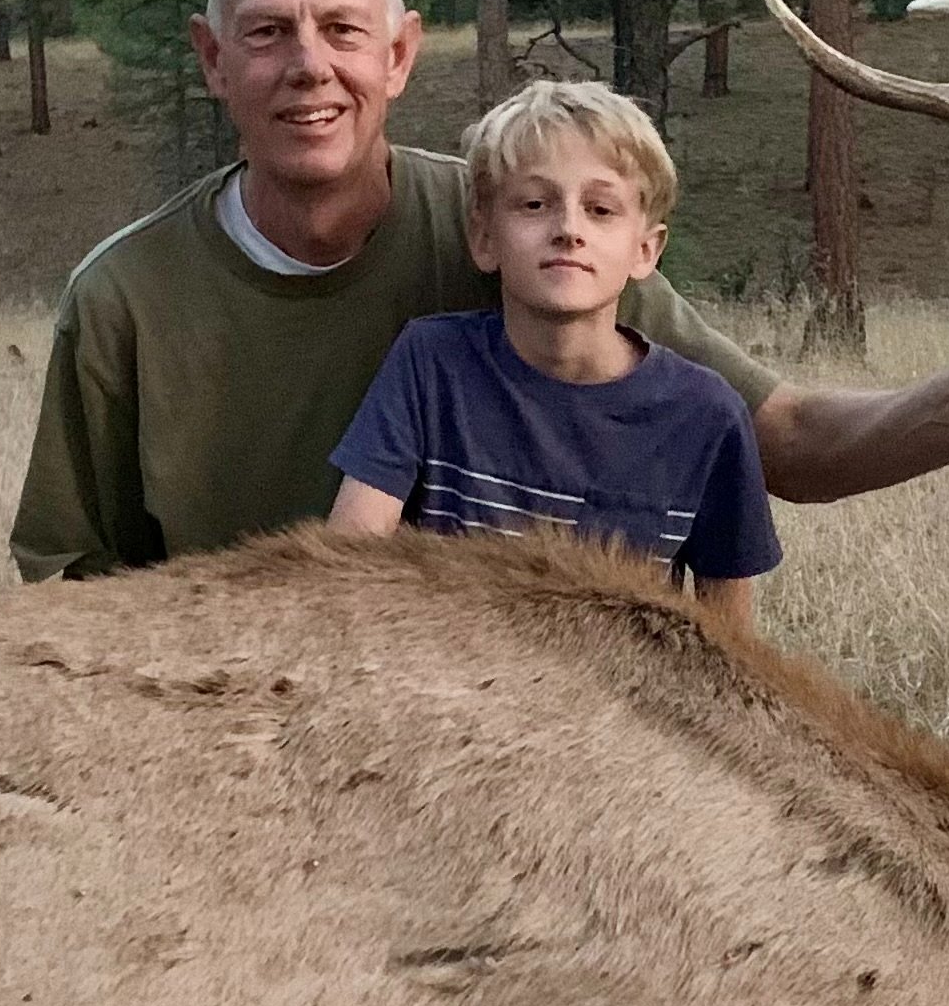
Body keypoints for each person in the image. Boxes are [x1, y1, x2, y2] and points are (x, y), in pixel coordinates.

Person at [12, 0, 949, 581]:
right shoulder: (124, 301)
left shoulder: (525, 229)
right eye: (266, 32)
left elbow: (777, 442)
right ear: (213, 61)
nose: (309, 64)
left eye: (342, 29)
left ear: (399, 54)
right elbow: (67, 577)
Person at [326, 80, 777, 632]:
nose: (568, 230)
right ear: (484, 237)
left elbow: (731, 650)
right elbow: (344, 572)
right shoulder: (431, 363)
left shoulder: (707, 417)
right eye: (535, 204)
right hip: (440, 686)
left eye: (601, 209)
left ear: (646, 249)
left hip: (616, 705)